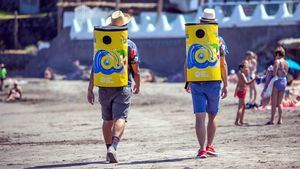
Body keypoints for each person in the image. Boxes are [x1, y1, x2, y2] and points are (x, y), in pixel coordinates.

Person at [87, 10, 140, 163]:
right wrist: (138, 82)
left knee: (107, 119)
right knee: (121, 117)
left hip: (104, 86)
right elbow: (135, 68)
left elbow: (95, 66)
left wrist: (90, 88)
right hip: (122, 86)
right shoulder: (129, 44)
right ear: (125, 26)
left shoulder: (102, 42)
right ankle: (114, 147)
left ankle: (108, 148)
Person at [185, 8, 228, 158]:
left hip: (197, 80)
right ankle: (209, 145)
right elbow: (223, 64)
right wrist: (226, 84)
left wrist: (188, 80)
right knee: (212, 115)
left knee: (199, 116)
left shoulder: (192, 38)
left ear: (201, 22)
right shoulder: (219, 40)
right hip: (214, 80)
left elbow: (187, 61)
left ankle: (202, 149)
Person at [266, 47, 289, 125]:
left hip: (277, 81)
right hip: (284, 81)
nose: (275, 57)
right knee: (279, 103)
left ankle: (272, 120)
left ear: (278, 54)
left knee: (273, 103)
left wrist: (270, 71)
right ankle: (280, 120)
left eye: (276, 55)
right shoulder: (286, 63)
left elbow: (274, 73)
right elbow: (286, 73)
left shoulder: (277, 61)